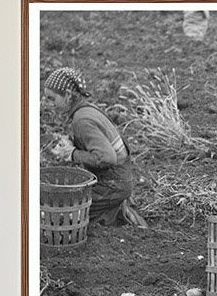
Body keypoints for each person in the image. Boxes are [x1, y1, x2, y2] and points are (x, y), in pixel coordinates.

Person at [44, 67, 146, 228]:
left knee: (66, 218)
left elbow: (106, 158)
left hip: (112, 185)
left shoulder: (82, 120)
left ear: (68, 95)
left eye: (52, 98)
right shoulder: (87, 111)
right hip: (119, 181)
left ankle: (118, 211)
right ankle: (117, 211)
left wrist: (72, 154)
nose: (49, 104)